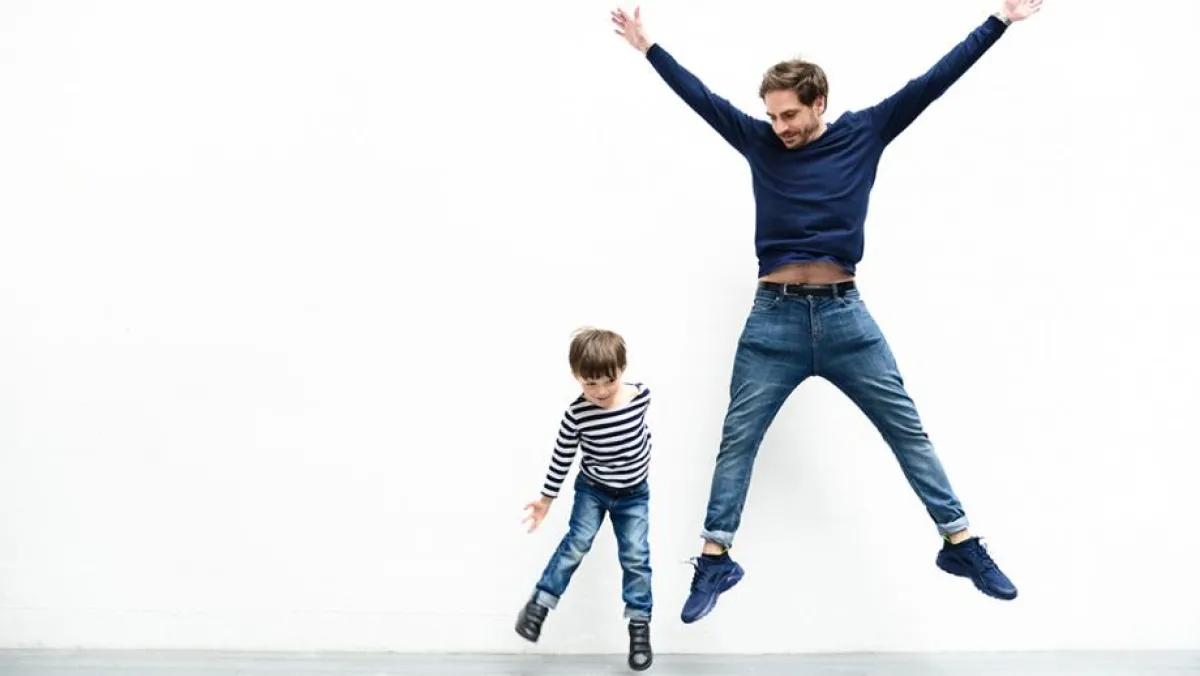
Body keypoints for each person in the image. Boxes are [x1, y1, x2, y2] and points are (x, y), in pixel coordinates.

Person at [610, 0, 1041, 624]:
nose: (780, 126)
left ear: (818, 103)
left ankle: (961, 544)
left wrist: (998, 21)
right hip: (773, 321)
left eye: (790, 114)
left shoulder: (865, 131)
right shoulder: (759, 141)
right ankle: (714, 558)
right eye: (772, 116)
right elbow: (699, 98)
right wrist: (649, 48)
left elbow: (934, 81)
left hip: (846, 318)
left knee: (908, 431)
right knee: (737, 439)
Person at [515, 327, 655, 671]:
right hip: (593, 490)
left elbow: (642, 438)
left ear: (622, 371)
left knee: (636, 557)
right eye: (589, 384)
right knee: (576, 543)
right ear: (576, 377)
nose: (600, 391)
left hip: (634, 495)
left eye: (608, 381)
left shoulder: (641, 396)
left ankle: (639, 626)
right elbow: (561, 458)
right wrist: (546, 500)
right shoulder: (576, 415)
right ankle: (539, 605)